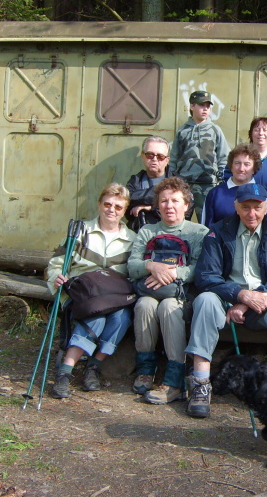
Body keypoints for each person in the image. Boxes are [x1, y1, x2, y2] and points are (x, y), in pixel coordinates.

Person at [184, 183, 267, 418]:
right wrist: (238, 295)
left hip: (263, 303)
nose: (252, 213)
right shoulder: (218, 232)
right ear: (236, 207)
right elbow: (206, 277)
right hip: (224, 303)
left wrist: (250, 299)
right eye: (245, 207)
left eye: (257, 207)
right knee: (205, 300)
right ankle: (200, 383)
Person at [48, 183, 136, 399]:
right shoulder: (80, 231)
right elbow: (56, 263)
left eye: (118, 207)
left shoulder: (132, 239)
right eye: (107, 204)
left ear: (124, 211)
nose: (111, 210)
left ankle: (93, 367)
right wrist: (55, 278)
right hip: (80, 293)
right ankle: (65, 373)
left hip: (113, 297)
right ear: (99, 204)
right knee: (95, 315)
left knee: (122, 316)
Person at [127, 177, 209, 404]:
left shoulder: (199, 232)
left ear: (186, 205)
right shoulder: (147, 231)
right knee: (144, 305)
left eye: (175, 201)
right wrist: (151, 266)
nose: (169, 206)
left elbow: (201, 268)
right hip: (150, 293)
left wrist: (174, 273)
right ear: (157, 205)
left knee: (169, 306)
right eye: (164, 201)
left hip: (182, 297)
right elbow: (132, 266)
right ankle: (146, 369)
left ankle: (175, 379)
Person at [169, 90, 230, 222]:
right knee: (180, 220)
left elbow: (223, 156)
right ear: (192, 106)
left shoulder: (215, 130)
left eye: (208, 106)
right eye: (201, 105)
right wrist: (173, 179)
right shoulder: (182, 131)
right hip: (184, 184)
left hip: (207, 184)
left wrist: (220, 178)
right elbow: (174, 157)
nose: (205, 109)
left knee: (207, 221)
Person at [126, 136, 179, 232]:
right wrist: (162, 197)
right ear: (143, 156)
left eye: (160, 157)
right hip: (139, 235)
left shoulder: (178, 182)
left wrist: (151, 208)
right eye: (150, 155)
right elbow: (127, 204)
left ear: (167, 160)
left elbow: (184, 213)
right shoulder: (134, 181)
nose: (154, 159)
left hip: (170, 235)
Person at [201, 144, 261, 228]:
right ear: (231, 166)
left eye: (247, 164)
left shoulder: (262, 194)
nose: (241, 169)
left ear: (254, 168)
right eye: (237, 163)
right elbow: (206, 227)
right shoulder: (215, 194)